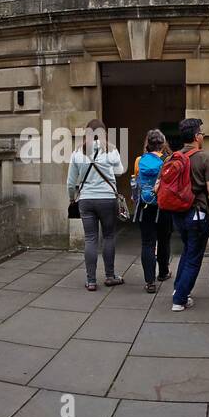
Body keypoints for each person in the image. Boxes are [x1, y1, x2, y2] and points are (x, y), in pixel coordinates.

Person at [163, 118, 209, 311]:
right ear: (197, 136)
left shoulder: (172, 158)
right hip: (198, 213)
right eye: (202, 134)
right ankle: (180, 299)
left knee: (188, 251)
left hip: (178, 213)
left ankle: (178, 289)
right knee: (194, 257)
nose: (203, 137)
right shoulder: (205, 159)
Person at [67, 119, 126, 292]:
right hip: (107, 199)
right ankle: (110, 276)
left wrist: (72, 199)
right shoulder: (111, 149)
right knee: (108, 236)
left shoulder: (78, 152)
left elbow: (71, 183)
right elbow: (120, 171)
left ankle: (91, 280)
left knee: (90, 238)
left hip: (86, 200)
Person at [133, 129, 171, 293]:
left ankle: (150, 282)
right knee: (164, 240)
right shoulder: (168, 160)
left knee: (147, 243)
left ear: (147, 144)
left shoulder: (139, 160)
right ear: (163, 145)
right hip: (163, 205)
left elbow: (136, 181)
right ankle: (163, 273)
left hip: (145, 205)